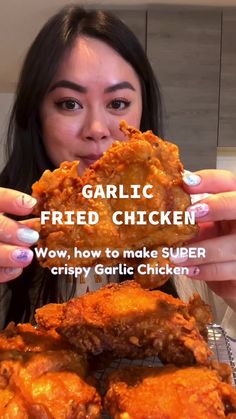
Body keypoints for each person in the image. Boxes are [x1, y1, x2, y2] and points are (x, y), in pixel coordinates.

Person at [0, 5, 235, 337]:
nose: (97, 128)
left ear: (143, 111)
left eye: (118, 103)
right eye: (69, 103)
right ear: (35, 116)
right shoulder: (6, 233)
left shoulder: (195, 237)